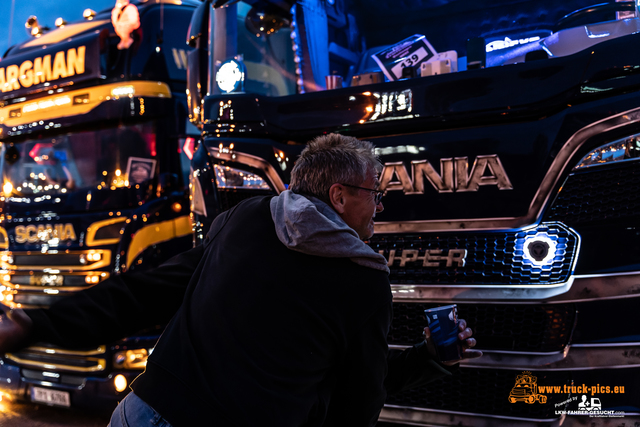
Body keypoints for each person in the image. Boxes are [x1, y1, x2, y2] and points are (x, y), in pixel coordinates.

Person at [0, 134, 481, 427]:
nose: (378, 208)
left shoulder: (242, 219)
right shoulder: (362, 282)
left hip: (142, 412)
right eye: (374, 196)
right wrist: (432, 359)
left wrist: (37, 323)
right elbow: (357, 405)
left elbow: (144, 291)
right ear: (338, 196)